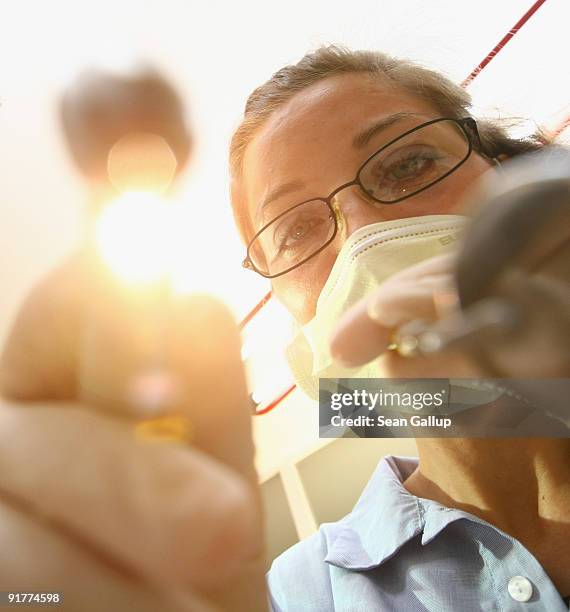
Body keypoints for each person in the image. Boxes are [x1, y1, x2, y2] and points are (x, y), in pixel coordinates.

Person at [0, 45, 568, 611]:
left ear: (503, 169)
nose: (364, 238)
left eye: (408, 164)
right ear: (290, 313)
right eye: (296, 229)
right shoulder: (294, 596)